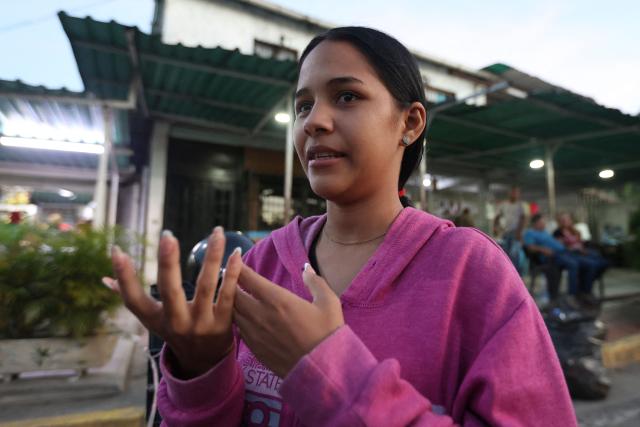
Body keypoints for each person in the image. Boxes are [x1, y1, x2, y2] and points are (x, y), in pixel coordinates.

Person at [104, 27, 576, 426]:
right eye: (303, 106)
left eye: (346, 96)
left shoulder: (470, 272)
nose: (314, 122)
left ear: (409, 123)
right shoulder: (259, 265)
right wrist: (200, 369)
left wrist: (326, 372)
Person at [524, 214, 602, 300]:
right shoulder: (530, 233)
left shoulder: (544, 232)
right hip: (553, 256)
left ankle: (585, 291)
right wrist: (543, 249)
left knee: (590, 264)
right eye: (542, 222)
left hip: (565, 252)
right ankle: (572, 295)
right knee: (573, 264)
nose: (544, 223)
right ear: (536, 223)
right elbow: (530, 247)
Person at [493, 186, 530, 273]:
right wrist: (496, 227)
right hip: (506, 233)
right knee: (505, 254)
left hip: (517, 233)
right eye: (513, 192)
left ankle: (516, 275)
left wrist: (519, 232)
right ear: (509, 193)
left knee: (515, 255)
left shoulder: (522, 205)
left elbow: (524, 218)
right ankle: (506, 274)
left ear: (519, 194)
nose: (514, 194)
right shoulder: (503, 205)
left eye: (516, 193)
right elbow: (497, 217)